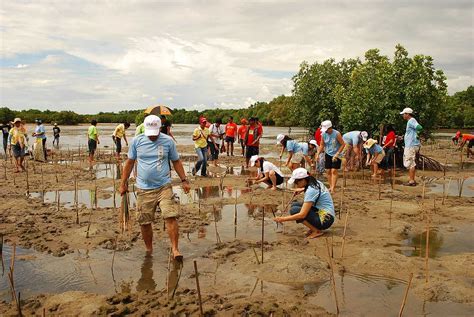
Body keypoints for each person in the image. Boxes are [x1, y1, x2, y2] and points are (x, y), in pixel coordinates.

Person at [119, 115, 190, 259]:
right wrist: (123, 183)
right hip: (144, 189)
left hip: (164, 186)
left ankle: (175, 250)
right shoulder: (137, 141)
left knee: (170, 216)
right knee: (144, 222)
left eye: (155, 133)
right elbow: (130, 163)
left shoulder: (168, 141)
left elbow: (176, 161)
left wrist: (184, 180)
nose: (152, 137)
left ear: (160, 128)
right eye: (149, 133)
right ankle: (149, 249)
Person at [274, 168, 335, 239]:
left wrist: (282, 219)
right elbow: (315, 191)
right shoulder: (315, 182)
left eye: (296, 182)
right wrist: (302, 189)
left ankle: (316, 231)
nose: (296, 185)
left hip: (325, 219)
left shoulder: (311, 190)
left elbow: (302, 215)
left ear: (303, 180)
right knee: (295, 204)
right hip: (324, 213)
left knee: (295, 210)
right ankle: (313, 227)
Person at [315, 120, 345, 193]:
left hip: (337, 154)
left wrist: (337, 154)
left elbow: (343, 144)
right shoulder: (323, 134)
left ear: (330, 128)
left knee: (334, 170)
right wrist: (318, 153)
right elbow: (322, 145)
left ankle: (333, 188)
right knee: (328, 171)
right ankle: (331, 186)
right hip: (328, 153)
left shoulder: (337, 134)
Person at [401, 107, 422, 186]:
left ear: (407, 114)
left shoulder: (411, 120)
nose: (403, 115)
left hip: (411, 145)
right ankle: (411, 180)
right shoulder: (410, 121)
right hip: (411, 144)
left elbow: (420, 127)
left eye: (404, 114)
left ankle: (411, 181)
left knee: (410, 163)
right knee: (410, 162)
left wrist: (417, 135)